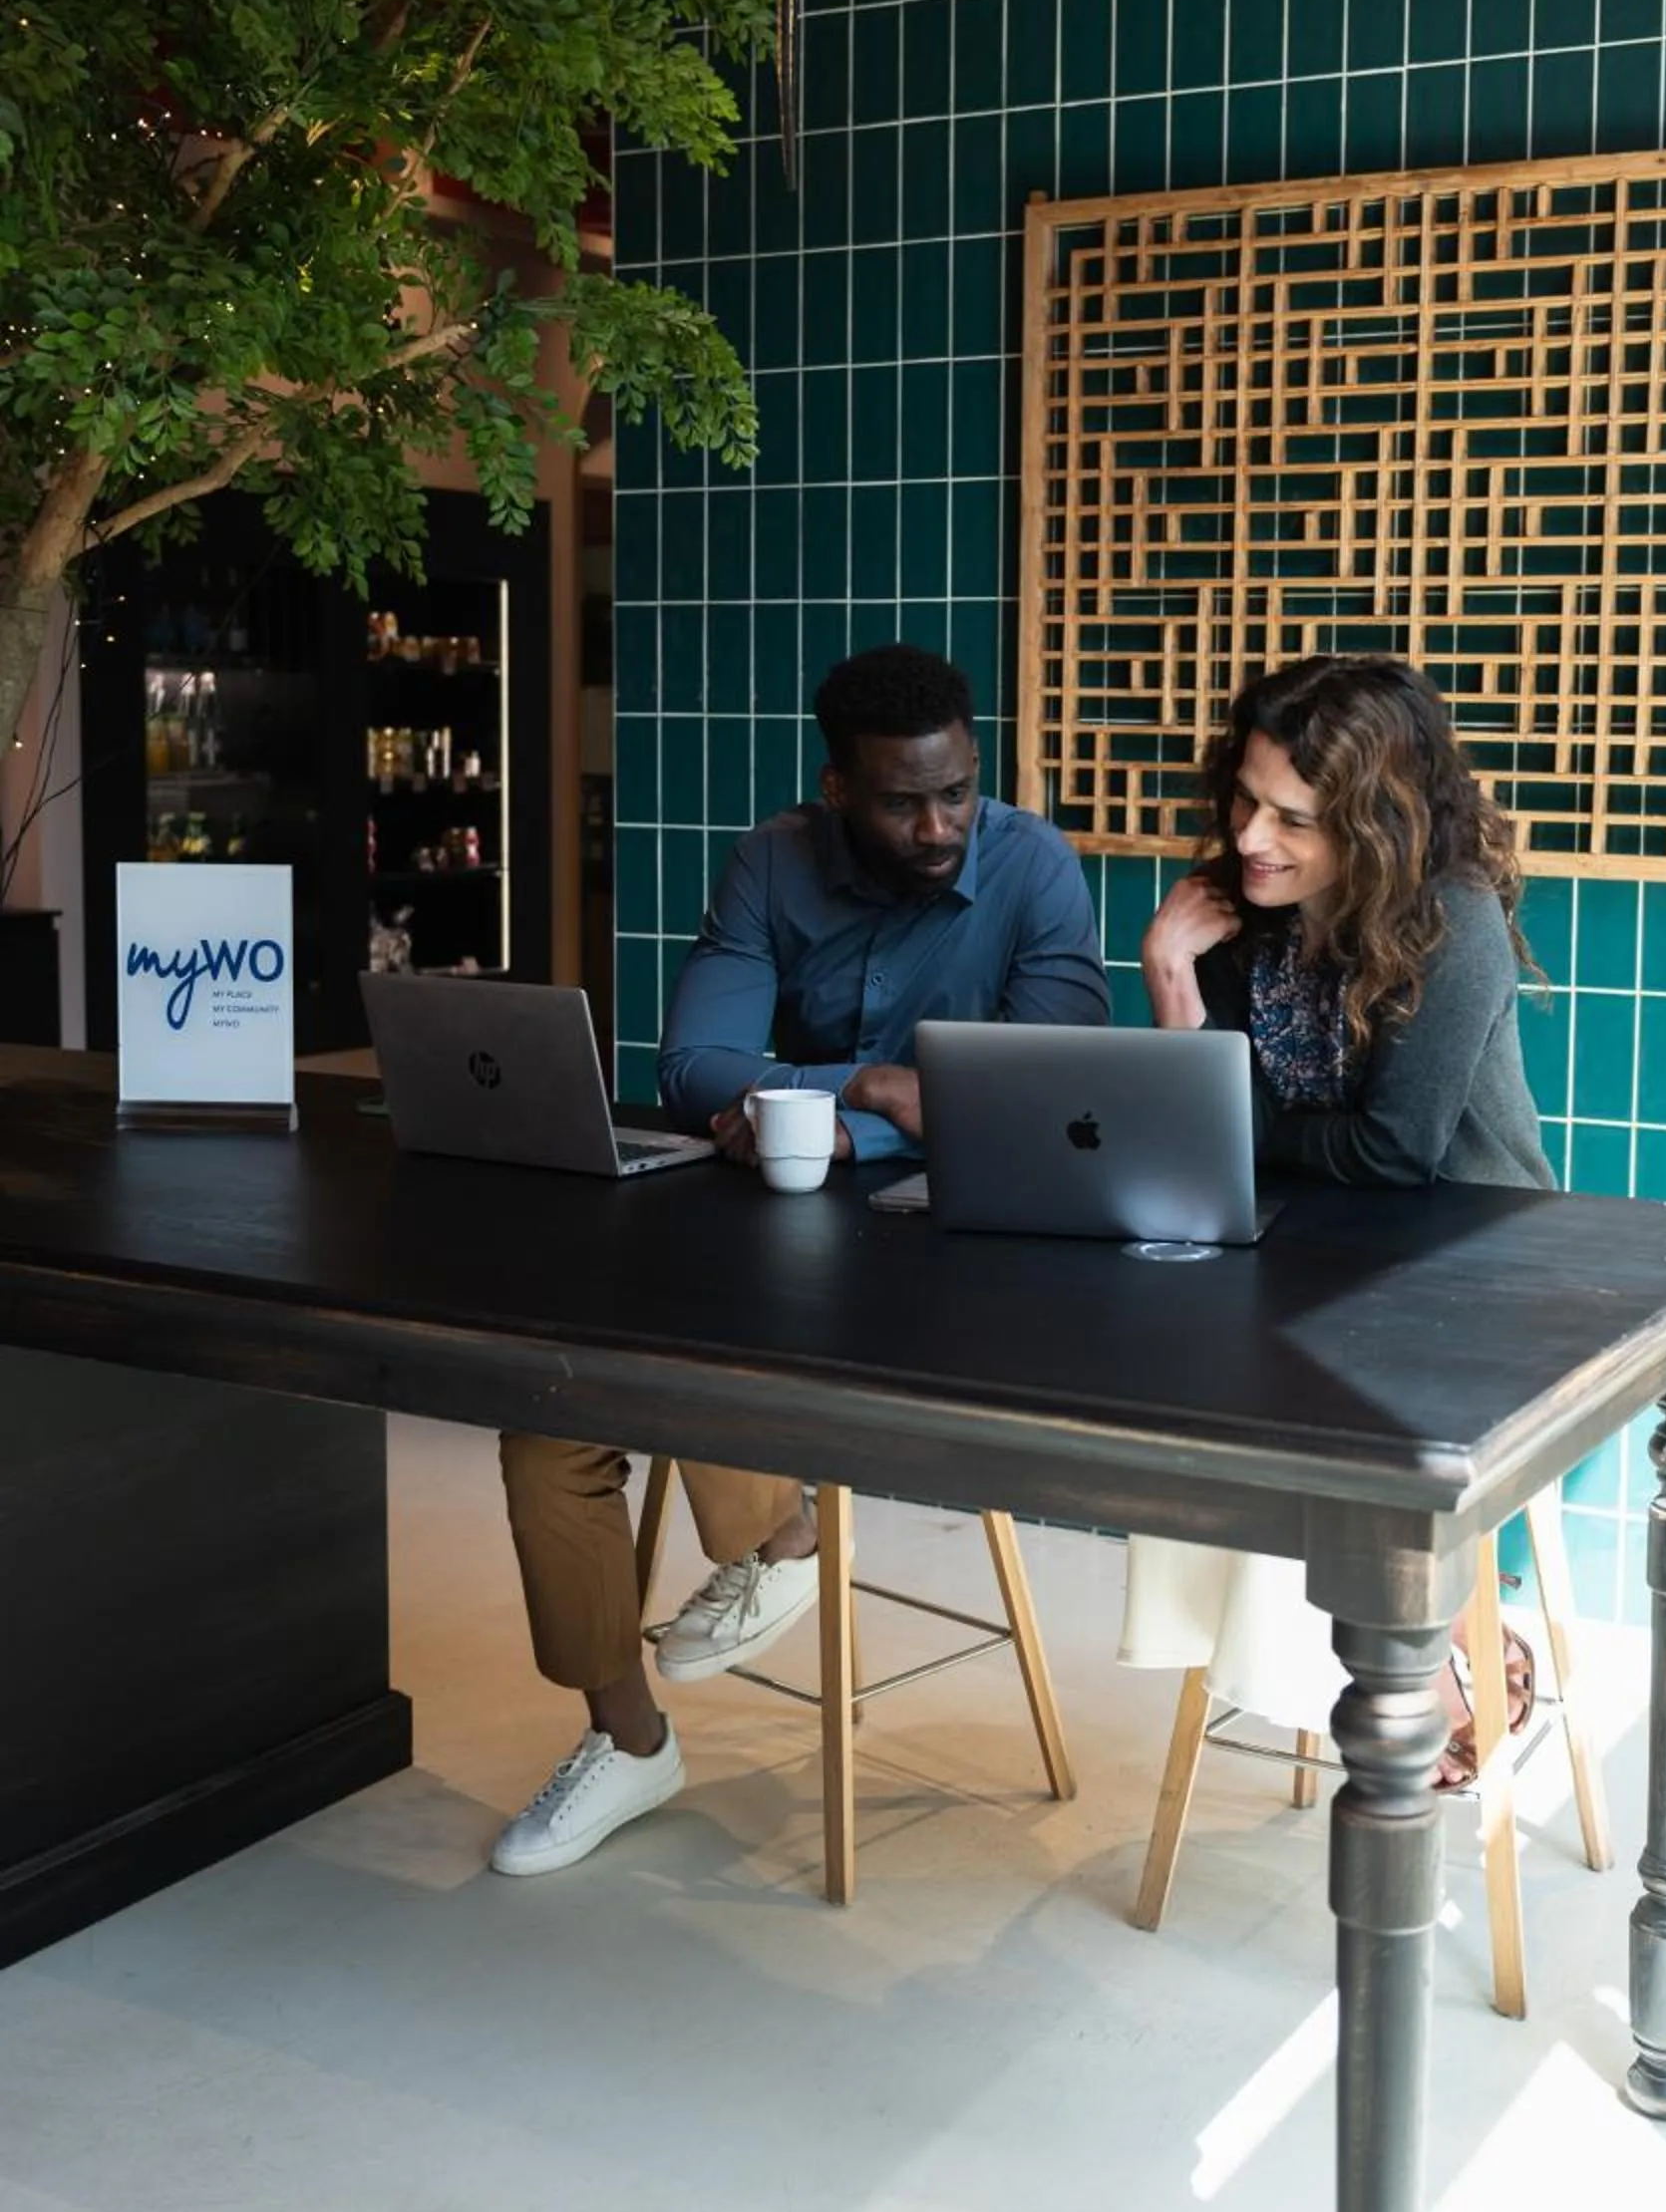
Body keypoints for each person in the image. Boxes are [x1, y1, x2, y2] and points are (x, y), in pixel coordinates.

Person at [492, 643, 1111, 1874]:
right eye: (902, 800)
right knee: (547, 1416)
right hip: (792, 1221)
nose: (939, 825)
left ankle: (784, 1536)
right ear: (837, 787)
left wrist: (825, 1107)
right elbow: (694, 1071)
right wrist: (874, 1088)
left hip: (958, 1247)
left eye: (958, 791)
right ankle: (631, 1736)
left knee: (716, 1339)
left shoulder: (1032, 865)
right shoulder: (772, 859)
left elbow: (1043, 1092)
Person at [1119, 653, 1555, 1782]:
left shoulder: (1451, 921)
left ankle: (1424, 1645)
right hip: (1306, 1247)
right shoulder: (1226, 916)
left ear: (1376, 825)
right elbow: (1211, 1131)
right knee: (1190, 1364)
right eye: (1245, 797)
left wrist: (1241, 1123)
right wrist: (1170, 980)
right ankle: (1387, 1648)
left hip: (1466, 1262)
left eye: (1293, 819)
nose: (1253, 836)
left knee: (1296, 1395)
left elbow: (1393, 1153)